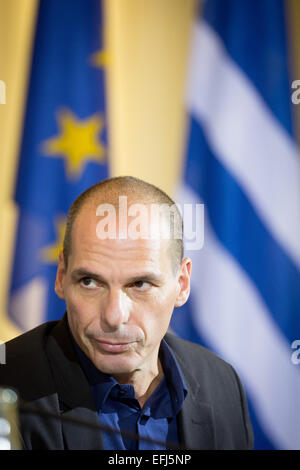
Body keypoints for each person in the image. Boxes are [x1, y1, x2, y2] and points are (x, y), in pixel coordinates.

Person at [0, 176, 254, 450]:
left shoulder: (222, 384)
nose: (113, 316)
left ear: (181, 284)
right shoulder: (7, 384)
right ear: (61, 276)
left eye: (140, 284)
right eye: (90, 282)